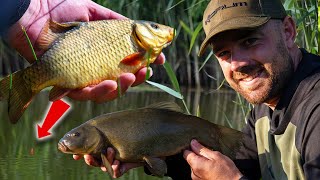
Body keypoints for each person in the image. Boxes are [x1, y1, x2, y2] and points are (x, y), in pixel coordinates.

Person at [82, 0, 320, 179]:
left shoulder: (315, 110)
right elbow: (241, 167)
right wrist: (149, 153)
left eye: (250, 41)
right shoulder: (266, 103)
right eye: (224, 53)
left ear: (288, 32)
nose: (238, 63)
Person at [1, 0, 165, 102]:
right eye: (155, 27)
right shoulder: (137, 43)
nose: (164, 30)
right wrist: (30, 9)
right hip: (65, 55)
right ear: (139, 30)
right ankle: (23, 85)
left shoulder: (142, 52)